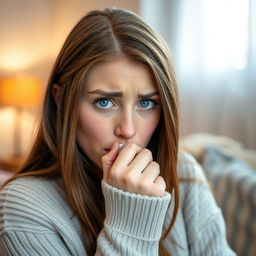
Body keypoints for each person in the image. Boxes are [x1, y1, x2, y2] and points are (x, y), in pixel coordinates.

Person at [0, 8, 235, 256]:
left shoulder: (184, 173)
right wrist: (133, 215)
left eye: (146, 103)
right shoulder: (21, 206)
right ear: (62, 99)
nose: (128, 130)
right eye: (104, 102)